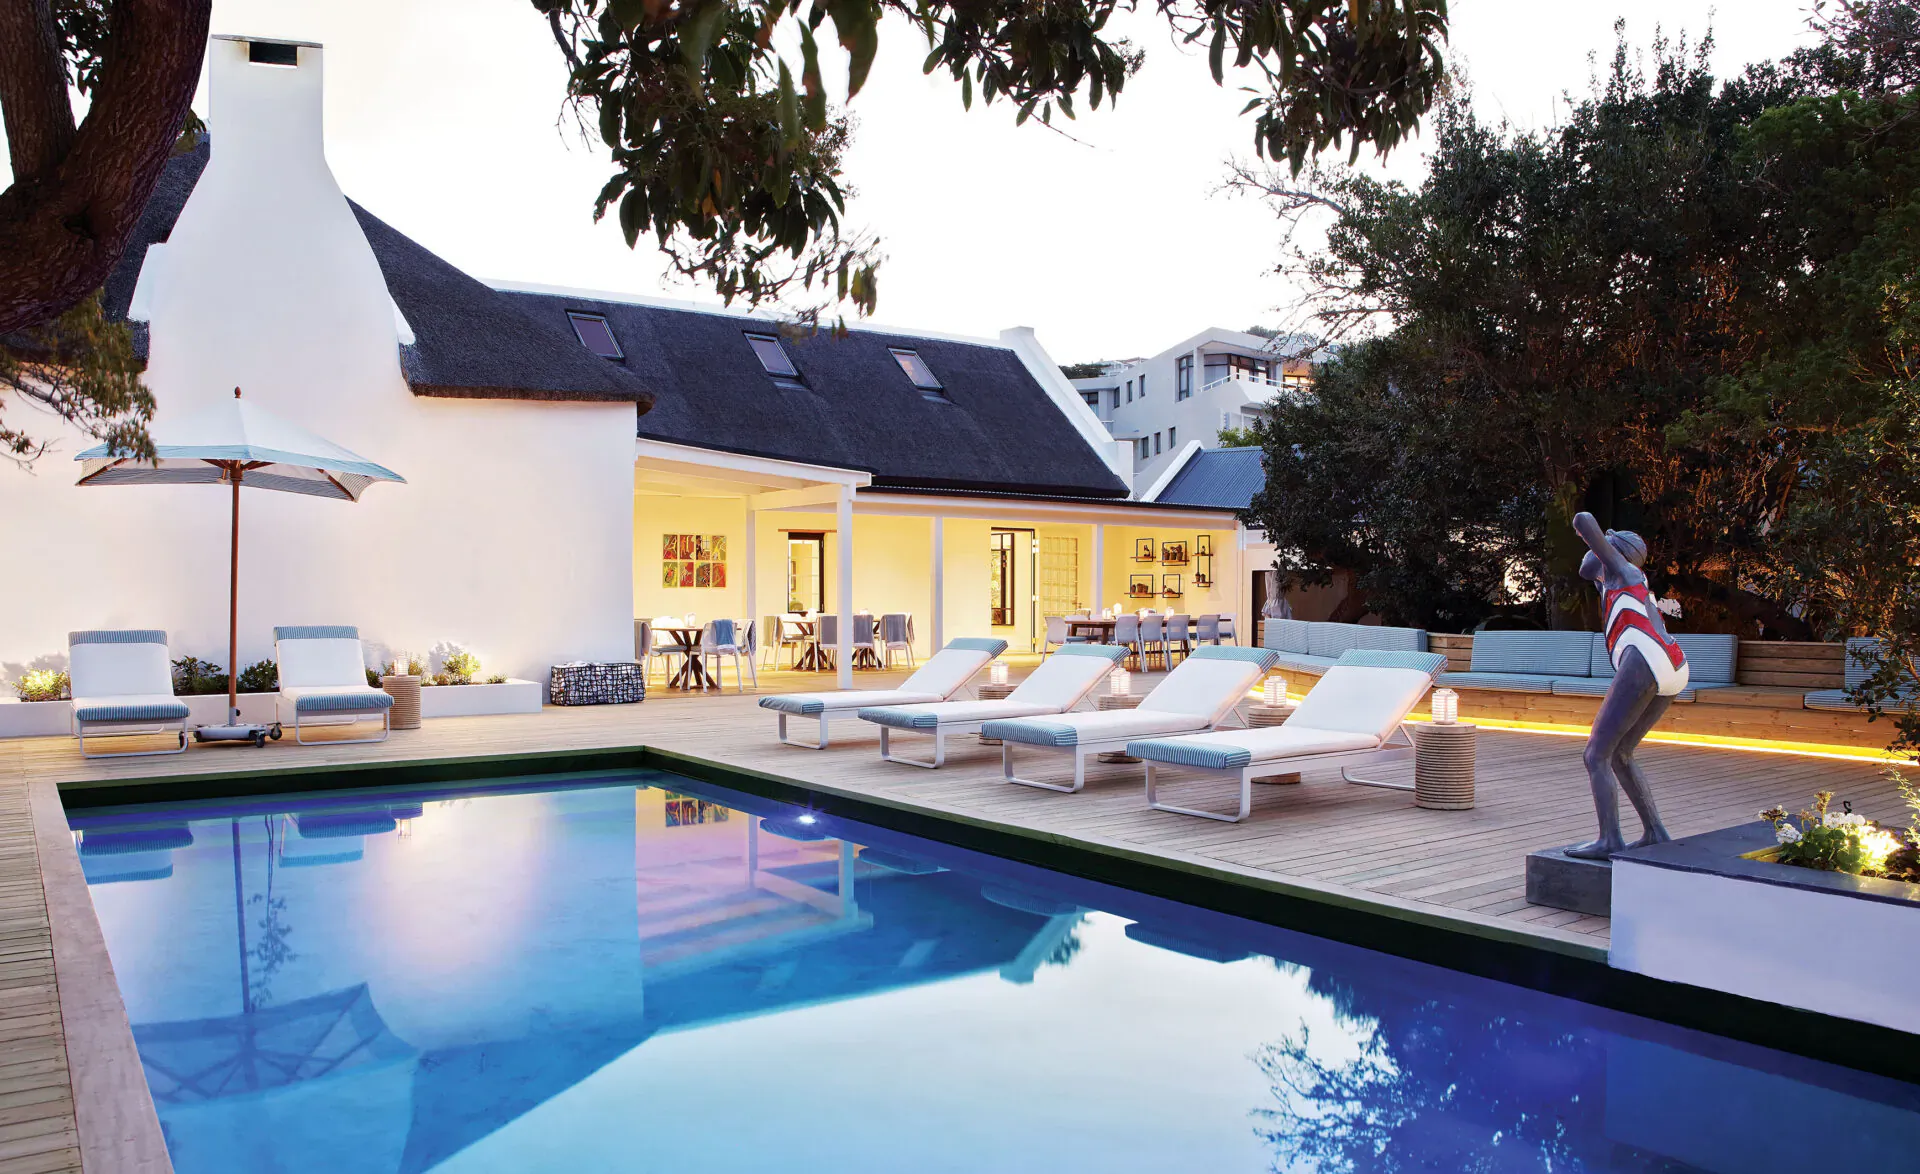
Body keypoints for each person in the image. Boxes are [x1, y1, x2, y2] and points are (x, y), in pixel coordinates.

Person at [1566, 511, 1687, 860]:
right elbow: (1588, 569)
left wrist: (1596, 536)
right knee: (1620, 753)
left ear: (1611, 550)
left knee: (1596, 754)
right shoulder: (1616, 582)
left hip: (1646, 660)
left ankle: (1610, 839)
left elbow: (1584, 519)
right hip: (1669, 664)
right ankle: (1655, 831)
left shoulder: (1624, 571)